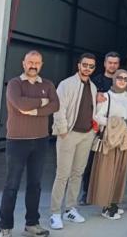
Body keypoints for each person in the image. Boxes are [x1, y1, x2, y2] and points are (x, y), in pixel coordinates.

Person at [0, 51, 59, 237]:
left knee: (35, 185)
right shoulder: (14, 84)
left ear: (41, 64)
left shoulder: (48, 84)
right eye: (30, 62)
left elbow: (55, 105)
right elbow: (20, 104)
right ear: (23, 63)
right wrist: (42, 101)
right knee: (11, 186)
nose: (33, 65)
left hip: (40, 141)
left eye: (37, 62)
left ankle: (31, 224)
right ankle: (5, 227)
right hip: (17, 141)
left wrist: (34, 111)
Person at [49, 54, 98, 230]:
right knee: (62, 175)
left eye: (91, 66)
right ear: (79, 65)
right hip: (68, 135)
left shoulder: (93, 87)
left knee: (77, 173)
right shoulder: (66, 84)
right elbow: (59, 108)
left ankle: (70, 209)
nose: (87, 68)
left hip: (86, 135)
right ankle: (55, 213)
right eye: (85, 65)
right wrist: (62, 130)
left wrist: (93, 130)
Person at [88, 69, 127, 220]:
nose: (122, 81)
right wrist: (115, 123)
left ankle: (114, 202)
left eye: (126, 79)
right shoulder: (107, 96)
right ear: (114, 79)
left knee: (120, 172)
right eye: (119, 77)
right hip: (111, 139)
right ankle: (106, 206)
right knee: (107, 173)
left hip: (124, 139)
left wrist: (126, 128)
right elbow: (97, 116)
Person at [81, 51, 121, 204]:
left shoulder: (121, 81)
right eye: (110, 62)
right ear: (104, 64)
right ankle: (86, 192)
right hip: (96, 127)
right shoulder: (94, 81)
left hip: (115, 129)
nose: (113, 66)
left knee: (110, 162)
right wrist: (95, 96)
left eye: (116, 63)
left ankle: (106, 193)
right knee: (91, 160)